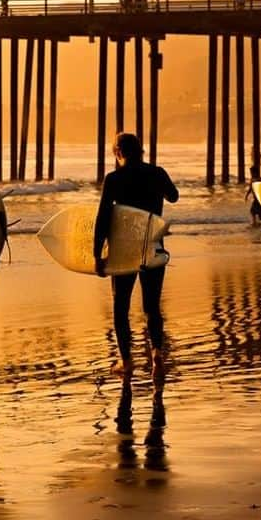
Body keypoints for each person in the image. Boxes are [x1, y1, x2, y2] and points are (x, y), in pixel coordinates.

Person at [94, 133, 179, 375]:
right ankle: (157, 355)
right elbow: (173, 196)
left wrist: (97, 254)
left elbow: (102, 218)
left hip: (124, 250)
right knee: (152, 306)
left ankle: (126, 360)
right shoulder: (157, 172)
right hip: (152, 247)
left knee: (121, 307)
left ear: (119, 151)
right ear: (140, 150)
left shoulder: (114, 179)